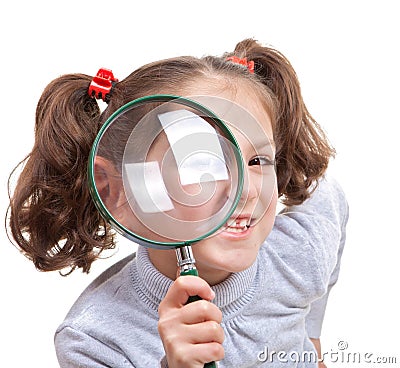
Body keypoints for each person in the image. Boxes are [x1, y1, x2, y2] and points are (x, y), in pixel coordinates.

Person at [7, 39, 348, 367]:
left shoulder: (301, 250)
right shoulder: (95, 341)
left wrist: (313, 343)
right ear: (116, 190)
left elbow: (332, 200)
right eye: (201, 164)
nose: (246, 192)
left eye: (258, 161)